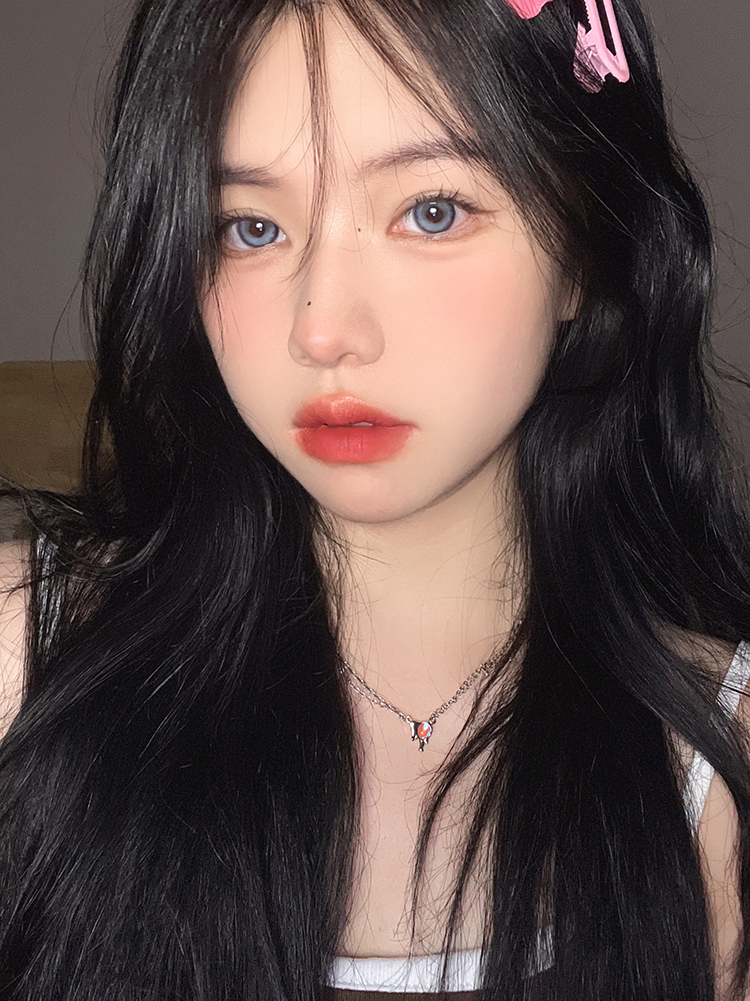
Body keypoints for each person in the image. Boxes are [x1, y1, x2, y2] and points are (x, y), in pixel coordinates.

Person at [1, 0, 749, 997]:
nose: (322, 329)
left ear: (583, 251)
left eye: (431, 210)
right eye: (251, 227)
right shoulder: (26, 658)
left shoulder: (718, 764)